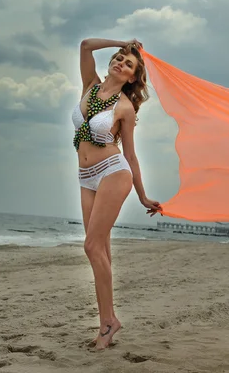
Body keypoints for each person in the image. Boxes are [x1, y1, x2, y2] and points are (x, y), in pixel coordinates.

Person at [72, 37, 161, 350]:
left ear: (133, 77)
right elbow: (85, 45)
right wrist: (124, 42)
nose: (121, 62)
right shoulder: (90, 87)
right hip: (86, 177)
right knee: (101, 253)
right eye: (119, 57)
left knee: (91, 246)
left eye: (128, 63)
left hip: (113, 172)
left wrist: (142, 195)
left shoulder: (124, 107)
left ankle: (109, 320)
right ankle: (106, 323)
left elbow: (132, 156)